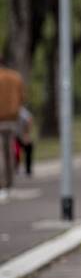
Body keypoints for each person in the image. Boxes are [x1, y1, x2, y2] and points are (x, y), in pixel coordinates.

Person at [0, 58, 25, 189]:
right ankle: (10, 182)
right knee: (10, 150)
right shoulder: (16, 77)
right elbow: (22, 98)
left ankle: (2, 182)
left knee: (1, 153)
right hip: (12, 119)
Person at [15, 106, 34, 177]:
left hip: (21, 135)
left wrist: (26, 134)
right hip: (14, 137)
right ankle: (15, 168)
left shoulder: (22, 111)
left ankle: (28, 170)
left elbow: (29, 119)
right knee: (15, 149)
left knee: (29, 146)